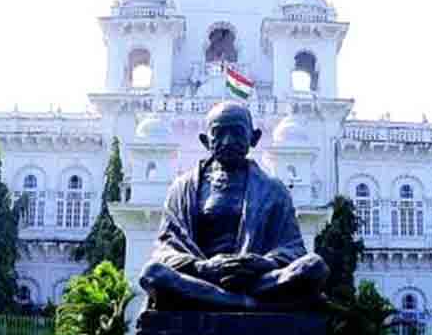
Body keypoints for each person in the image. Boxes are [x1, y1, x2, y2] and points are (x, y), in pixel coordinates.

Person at [139, 101, 328, 311]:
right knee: (153, 274)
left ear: (254, 138)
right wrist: (203, 267)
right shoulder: (182, 189)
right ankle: (243, 303)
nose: (228, 141)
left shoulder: (274, 190)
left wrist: (262, 264)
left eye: (237, 133)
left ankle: (224, 301)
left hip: (257, 279)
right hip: (203, 278)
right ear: (205, 140)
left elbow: (293, 249)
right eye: (218, 133)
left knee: (314, 267)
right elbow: (165, 249)